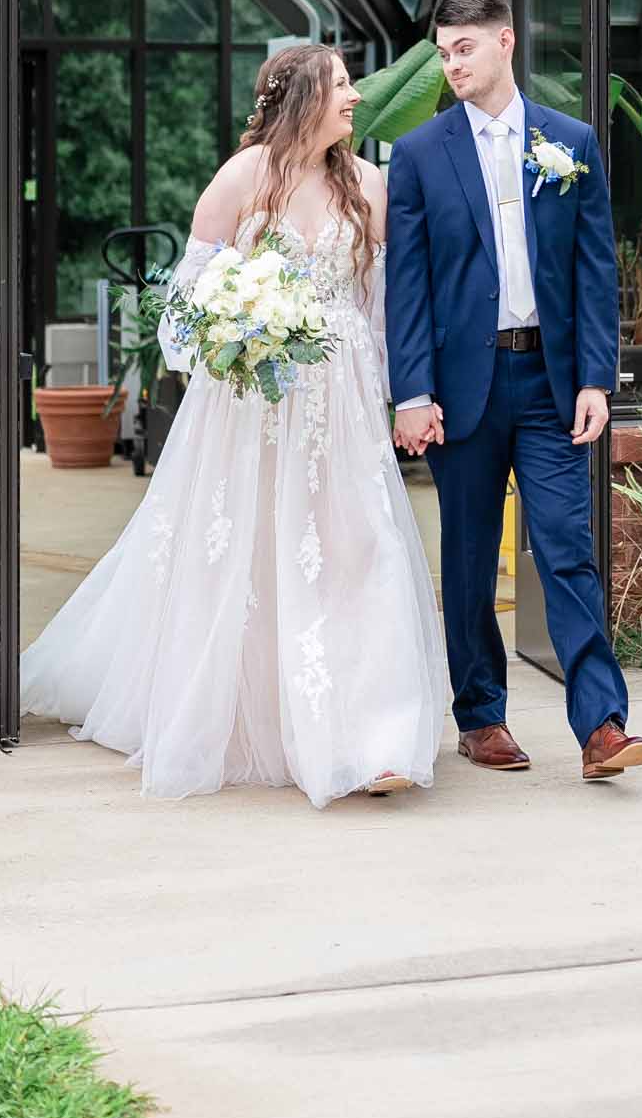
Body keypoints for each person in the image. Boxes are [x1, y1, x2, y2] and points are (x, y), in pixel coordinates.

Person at [24, 42, 445, 807]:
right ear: (305, 97)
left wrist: (398, 389)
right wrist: (238, 333)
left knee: (356, 546)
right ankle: (255, 717)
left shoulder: (369, 186)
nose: (355, 97)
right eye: (343, 84)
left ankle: (372, 733)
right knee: (253, 550)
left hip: (341, 402)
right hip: (255, 400)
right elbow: (189, 294)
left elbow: (388, 304)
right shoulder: (243, 176)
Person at [385, 0, 642, 781]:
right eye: (441, 53)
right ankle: (482, 716)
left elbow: (596, 270)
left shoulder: (570, 141)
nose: (449, 65)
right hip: (461, 386)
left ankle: (601, 724)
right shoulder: (421, 154)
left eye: (461, 49)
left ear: (504, 42)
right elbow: (409, 285)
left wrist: (595, 378)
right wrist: (412, 391)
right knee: (467, 558)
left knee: (566, 548)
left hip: (550, 381)